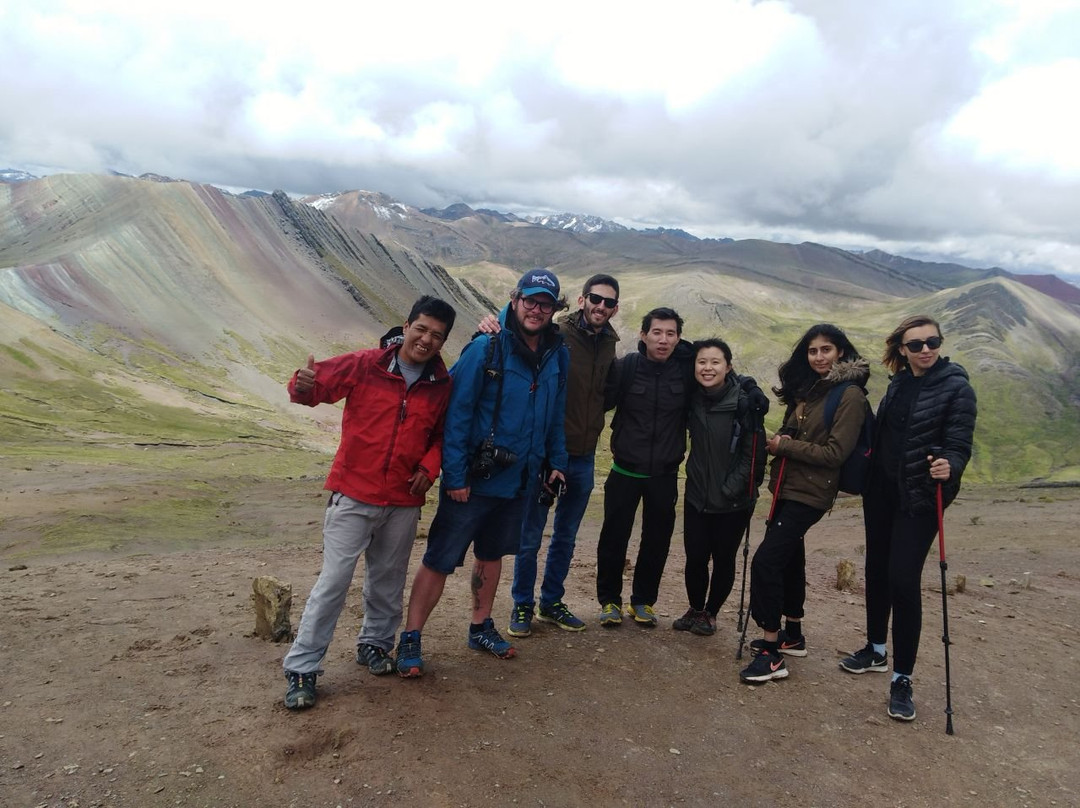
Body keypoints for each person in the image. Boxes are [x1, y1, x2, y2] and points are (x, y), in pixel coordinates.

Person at [281, 295, 457, 710]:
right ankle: (303, 667)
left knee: (388, 579)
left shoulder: (441, 385)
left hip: (403, 499)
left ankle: (375, 645)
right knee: (334, 581)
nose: (426, 340)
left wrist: (429, 468)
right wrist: (301, 385)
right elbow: (313, 385)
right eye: (421, 329)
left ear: (443, 341)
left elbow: (443, 437)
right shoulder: (367, 364)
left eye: (437, 335)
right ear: (407, 325)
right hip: (353, 494)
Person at [394, 268, 569, 677]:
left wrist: (556, 461)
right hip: (474, 479)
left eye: (545, 303)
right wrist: (454, 476)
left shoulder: (558, 353)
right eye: (530, 300)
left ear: (554, 309)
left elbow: (556, 414)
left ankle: (480, 627)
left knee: (492, 555)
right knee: (439, 558)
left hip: (520, 480)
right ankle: (411, 637)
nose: (536, 309)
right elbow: (456, 415)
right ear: (515, 299)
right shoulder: (485, 348)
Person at [839, 315, 976, 722]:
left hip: (920, 497)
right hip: (881, 492)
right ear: (902, 349)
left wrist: (949, 465)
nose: (925, 350)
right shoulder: (899, 382)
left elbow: (959, 443)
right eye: (915, 344)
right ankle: (876, 650)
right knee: (876, 570)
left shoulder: (957, 387)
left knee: (902, 578)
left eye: (932, 342)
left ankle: (902, 677)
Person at [740, 324, 869, 684]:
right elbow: (800, 432)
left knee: (766, 562)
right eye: (813, 351)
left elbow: (835, 453)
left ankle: (770, 653)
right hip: (788, 487)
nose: (818, 357)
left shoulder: (850, 396)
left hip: (811, 493)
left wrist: (784, 446)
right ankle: (792, 633)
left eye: (826, 350)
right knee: (789, 559)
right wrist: (786, 438)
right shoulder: (810, 390)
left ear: (841, 352)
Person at [507, 274, 621, 636]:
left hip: (584, 454)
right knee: (530, 534)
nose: (601, 306)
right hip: (544, 453)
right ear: (583, 299)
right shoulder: (555, 334)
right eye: (596, 299)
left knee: (566, 535)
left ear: (614, 308)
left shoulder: (609, 344)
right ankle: (522, 604)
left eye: (608, 302)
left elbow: (607, 393)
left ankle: (550, 601)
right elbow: (516, 333)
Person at [595, 307, 694, 628]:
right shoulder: (626, 368)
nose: (663, 340)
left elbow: (716, 382)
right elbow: (598, 398)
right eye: (657, 332)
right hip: (624, 471)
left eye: (670, 334)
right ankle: (609, 601)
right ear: (643, 335)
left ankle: (643, 602)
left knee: (657, 540)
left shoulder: (684, 373)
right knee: (613, 538)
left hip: (664, 475)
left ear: (678, 338)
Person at [673, 339, 766, 636]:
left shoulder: (744, 403)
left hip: (733, 500)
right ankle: (695, 608)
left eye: (715, 362)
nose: (708, 368)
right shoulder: (694, 397)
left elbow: (754, 454)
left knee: (723, 559)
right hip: (697, 495)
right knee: (696, 557)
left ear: (728, 366)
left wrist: (731, 489)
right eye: (702, 362)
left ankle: (711, 613)